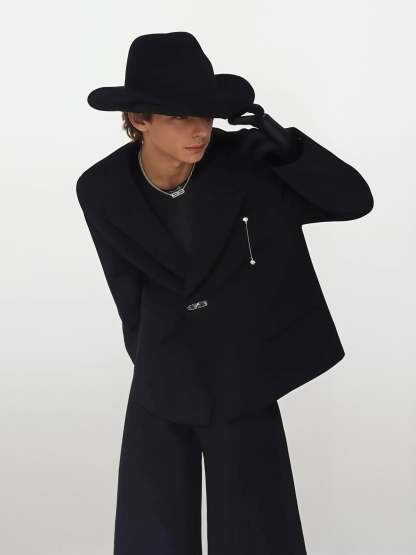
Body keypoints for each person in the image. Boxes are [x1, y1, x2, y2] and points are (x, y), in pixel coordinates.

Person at [76, 32, 374, 555]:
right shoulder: (101, 188)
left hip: (243, 369)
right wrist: (156, 360)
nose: (199, 129)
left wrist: (291, 150)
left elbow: (354, 201)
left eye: (205, 114)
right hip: (163, 370)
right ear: (139, 120)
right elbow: (125, 290)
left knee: (259, 527)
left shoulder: (248, 162)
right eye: (179, 116)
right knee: (152, 526)